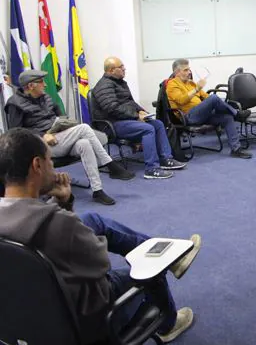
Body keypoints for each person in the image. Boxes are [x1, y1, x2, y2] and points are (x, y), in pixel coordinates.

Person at [0, 128, 201, 344]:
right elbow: (101, 266)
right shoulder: (57, 224)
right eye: (50, 161)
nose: (53, 167)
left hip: (31, 317)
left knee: (92, 220)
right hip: (84, 317)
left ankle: (169, 255)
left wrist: (63, 203)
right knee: (151, 268)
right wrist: (69, 217)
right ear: (37, 165)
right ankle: (168, 323)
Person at [5, 70, 134, 205]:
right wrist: (43, 135)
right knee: (84, 128)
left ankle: (98, 190)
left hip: (59, 138)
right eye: (41, 82)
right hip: (41, 145)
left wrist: (64, 124)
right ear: (31, 86)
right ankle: (110, 164)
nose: (45, 85)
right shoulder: (15, 103)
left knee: (84, 143)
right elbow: (16, 132)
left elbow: (61, 116)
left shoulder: (46, 97)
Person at [93, 57, 186, 179]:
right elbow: (112, 108)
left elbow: (130, 102)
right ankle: (151, 169)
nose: (124, 69)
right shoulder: (103, 86)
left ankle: (165, 159)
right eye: (120, 67)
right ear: (111, 70)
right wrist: (136, 116)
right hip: (111, 125)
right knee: (147, 129)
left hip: (125, 120)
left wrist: (142, 111)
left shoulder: (120, 83)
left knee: (157, 124)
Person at [166, 59, 252, 159]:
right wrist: (197, 89)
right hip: (188, 116)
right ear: (177, 72)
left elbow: (206, 97)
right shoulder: (172, 84)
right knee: (214, 98)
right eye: (186, 70)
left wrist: (217, 104)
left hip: (202, 114)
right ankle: (237, 114)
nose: (189, 72)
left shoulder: (191, 83)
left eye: (189, 69)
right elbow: (181, 100)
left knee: (227, 117)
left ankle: (236, 149)